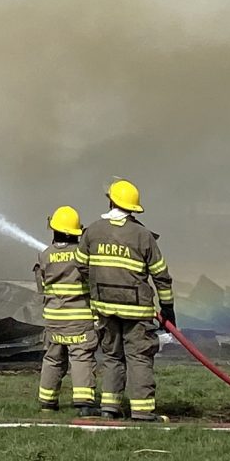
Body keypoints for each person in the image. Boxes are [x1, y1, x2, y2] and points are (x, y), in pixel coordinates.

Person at [86, 178, 175, 422]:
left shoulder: (92, 231)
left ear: (111, 201)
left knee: (112, 357)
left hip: (104, 308)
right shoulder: (143, 236)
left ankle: (109, 408)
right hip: (136, 310)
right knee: (139, 357)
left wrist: (93, 299)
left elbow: (83, 268)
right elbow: (161, 276)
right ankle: (142, 411)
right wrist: (167, 308)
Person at [33, 206, 94, 416]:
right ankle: (83, 403)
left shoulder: (44, 256)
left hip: (53, 320)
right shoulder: (82, 255)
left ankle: (47, 402)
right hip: (79, 319)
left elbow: (41, 288)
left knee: (52, 359)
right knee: (81, 358)